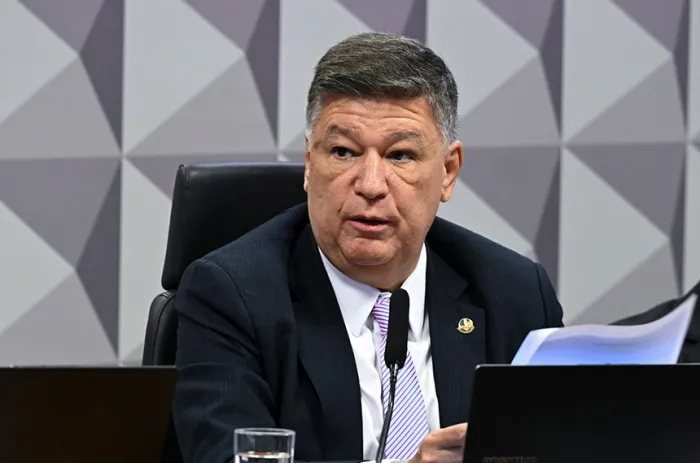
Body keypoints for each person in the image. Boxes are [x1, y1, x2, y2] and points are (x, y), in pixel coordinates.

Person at [171, 32, 564, 463]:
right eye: (343, 152)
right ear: (309, 164)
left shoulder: (513, 293)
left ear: (448, 172)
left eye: (400, 156)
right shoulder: (231, 296)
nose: (371, 185)